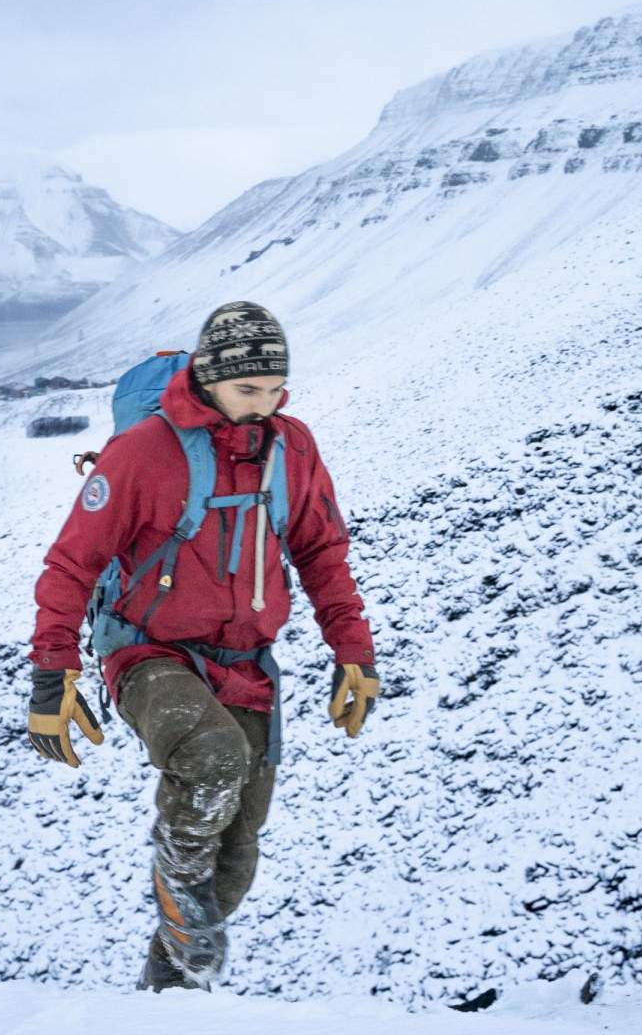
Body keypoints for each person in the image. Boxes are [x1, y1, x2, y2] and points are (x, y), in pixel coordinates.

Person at [26, 300, 381, 991]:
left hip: (245, 663)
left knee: (238, 857)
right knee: (213, 760)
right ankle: (175, 872)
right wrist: (52, 679)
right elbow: (70, 565)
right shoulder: (144, 454)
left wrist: (354, 654)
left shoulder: (293, 448)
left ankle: (170, 991)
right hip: (147, 653)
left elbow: (322, 555)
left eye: (278, 388)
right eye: (250, 390)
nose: (266, 404)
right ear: (209, 378)